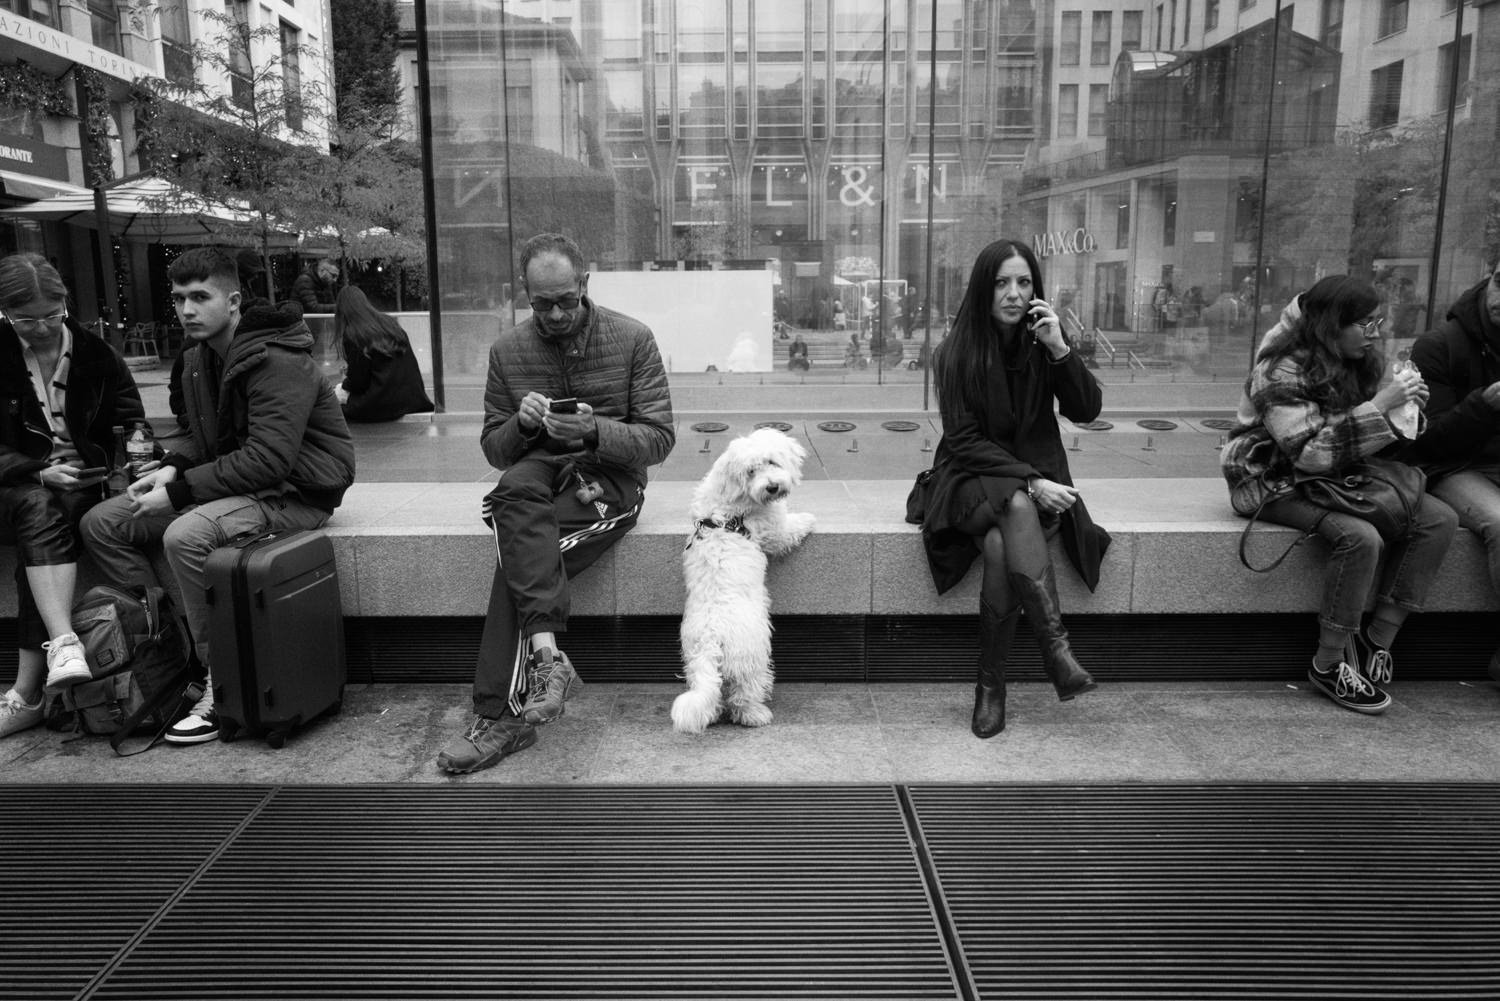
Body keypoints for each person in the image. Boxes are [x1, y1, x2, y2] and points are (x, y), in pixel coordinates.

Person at [79, 247, 356, 745]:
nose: (187, 310)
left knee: (186, 534)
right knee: (103, 523)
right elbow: (193, 434)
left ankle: (218, 680)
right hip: (236, 486)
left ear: (232, 302)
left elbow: (269, 460)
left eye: (200, 297)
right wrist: (169, 467)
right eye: (179, 298)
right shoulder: (194, 359)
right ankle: (167, 656)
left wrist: (182, 489)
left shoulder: (276, 360)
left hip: (299, 492)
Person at [436, 233, 675, 775]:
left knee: (518, 558)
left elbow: (659, 438)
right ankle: (550, 663)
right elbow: (495, 451)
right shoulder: (508, 351)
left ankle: (501, 719)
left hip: (608, 480)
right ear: (526, 295)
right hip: (538, 474)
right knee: (514, 492)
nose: (557, 313)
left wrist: (596, 432)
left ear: (585, 285)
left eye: (566, 299)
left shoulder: (633, 338)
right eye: (542, 303)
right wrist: (520, 425)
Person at [1221, 275, 1456, 715]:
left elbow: (1369, 438)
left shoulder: (1357, 356)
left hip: (1338, 472)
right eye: (1364, 324)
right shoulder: (1281, 367)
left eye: (1377, 322)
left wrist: (1409, 410)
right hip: (1272, 477)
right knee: (1359, 536)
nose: (1375, 333)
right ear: (1332, 324)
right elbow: (1308, 454)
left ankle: (1375, 641)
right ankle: (1328, 663)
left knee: (1439, 518)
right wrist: (1379, 406)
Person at [911, 238, 1109, 739]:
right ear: (983, 289)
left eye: (1023, 282)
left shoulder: (1044, 347)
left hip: (1028, 494)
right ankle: (1056, 652)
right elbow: (964, 441)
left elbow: (1087, 410)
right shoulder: (954, 353)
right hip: (968, 483)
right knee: (1017, 502)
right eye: (1001, 282)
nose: (1013, 293)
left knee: (1002, 544)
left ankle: (991, 687)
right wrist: (1033, 480)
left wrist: (1060, 348)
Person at [0, 253, 145, 739]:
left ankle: (29, 693)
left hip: (82, 483)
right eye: (25, 318)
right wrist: (39, 471)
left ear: (66, 303)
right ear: (5, 311)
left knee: (44, 520)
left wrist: (114, 463)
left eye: (51, 315)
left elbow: (130, 422)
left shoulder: (97, 354)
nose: (40, 328)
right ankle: (60, 646)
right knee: (37, 505)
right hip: (12, 487)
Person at [1407, 254, 1500, 682]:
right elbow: (1428, 441)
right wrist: (1483, 407)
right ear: (1489, 279)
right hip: (1456, 466)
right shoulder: (1440, 345)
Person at [333, 286, 434, 422]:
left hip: (382, 402)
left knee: (330, 409)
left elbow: (358, 382)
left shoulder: (354, 333)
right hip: (413, 399)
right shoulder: (388, 322)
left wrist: (343, 386)